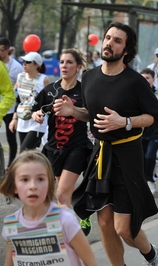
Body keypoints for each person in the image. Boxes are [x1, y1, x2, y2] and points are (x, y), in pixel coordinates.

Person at [53, 22, 158, 266]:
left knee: (123, 228)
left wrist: (123, 121)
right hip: (100, 157)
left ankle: (151, 254)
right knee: (104, 222)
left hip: (127, 156)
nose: (109, 43)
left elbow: (155, 117)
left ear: (126, 50)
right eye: (108, 37)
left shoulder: (135, 82)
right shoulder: (89, 76)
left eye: (117, 40)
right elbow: (89, 114)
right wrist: (73, 111)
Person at [0, 150, 97, 266]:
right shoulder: (11, 224)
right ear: (14, 186)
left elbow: (91, 263)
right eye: (25, 179)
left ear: (49, 183)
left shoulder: (64, 220)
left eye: (40, 179)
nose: (33, 186)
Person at [31, 48, 92, 211]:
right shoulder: (50, 90)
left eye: (70, 62)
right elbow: (36, 109)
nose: (64, 66)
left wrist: (73, 110)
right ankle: (78, 217)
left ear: (78, 67)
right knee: (64, 196)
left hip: (77, 148)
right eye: (62, 62)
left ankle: (65, 234)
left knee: (62, 194)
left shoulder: (84, 91)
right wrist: (36, 115)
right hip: (54, 148)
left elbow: (90, 115)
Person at [9, 52, 50, 152]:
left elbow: (49, 101)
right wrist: (14, 119)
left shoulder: (43, 79)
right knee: (28, 155)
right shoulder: (20, 77)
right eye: (23, 61)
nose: (24, 64)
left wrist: (41, 112)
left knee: (24, 151)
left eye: (27, 62)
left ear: (36, 65)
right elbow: (18, 99)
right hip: (22, 120)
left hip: (37, 123)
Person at [0, 38, 23, 169]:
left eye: (0, 50)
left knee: (11, 138)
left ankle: (10, 165)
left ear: (8, 50)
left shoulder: (17, 67)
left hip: (10, 108)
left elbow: (21, 88)